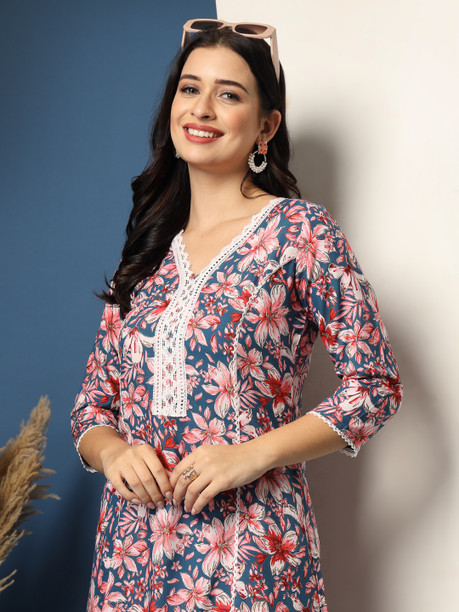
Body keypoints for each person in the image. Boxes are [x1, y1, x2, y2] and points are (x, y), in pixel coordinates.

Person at [71, 19, 402, 612]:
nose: (202, 109)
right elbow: (92, 407)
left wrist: (253, 453)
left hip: (249, 549)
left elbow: (374, 387)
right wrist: (113, 452)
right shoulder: (148, 251)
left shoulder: (300, 232)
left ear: (266, 126)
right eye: (189, 88)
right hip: (131, 555)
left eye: (228, 94)